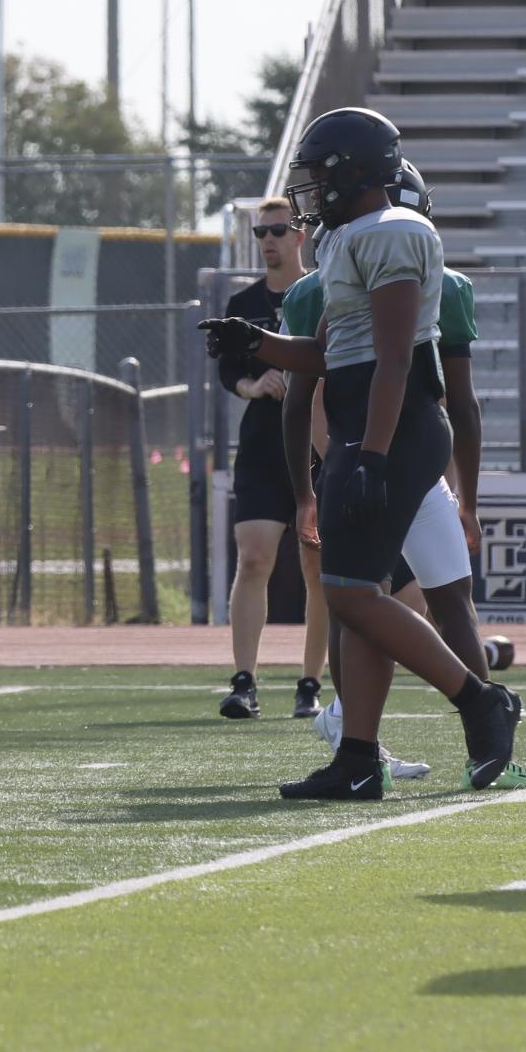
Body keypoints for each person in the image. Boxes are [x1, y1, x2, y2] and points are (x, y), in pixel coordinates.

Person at [201, 106, 524, 799]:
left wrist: (373, 454)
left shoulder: (394, 232)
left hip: (393, 427)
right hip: (363, 424)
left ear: (353, 172)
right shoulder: (348, 239)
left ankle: (477, 699)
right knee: (351, 596)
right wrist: (254, 343)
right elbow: (329, 352)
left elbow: (394, 357)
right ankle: (357, 757)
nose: (310, 193)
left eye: (320, 177)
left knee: (349, 592)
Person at [279, 162, 526, 784]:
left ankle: (432, 722)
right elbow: (457, 401)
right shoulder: (409, 271)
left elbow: (329, 392)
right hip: (393, 454)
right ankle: (375, 748)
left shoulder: (363, 260)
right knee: (421, 599)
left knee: (354, 598)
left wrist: (314, 483)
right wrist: (465, 498)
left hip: (372, 450)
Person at [215, 196, 326, 721]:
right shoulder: (243, 303)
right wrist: (254, 383)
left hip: (316, 447)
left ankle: (311, 683)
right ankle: (244, 681)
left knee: (318, 567)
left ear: (300, 236)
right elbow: (228, 372)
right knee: (254, 556)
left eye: (279, 231)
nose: (269, 241)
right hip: (262, 446)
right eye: (261, 233)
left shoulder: (325, 294)